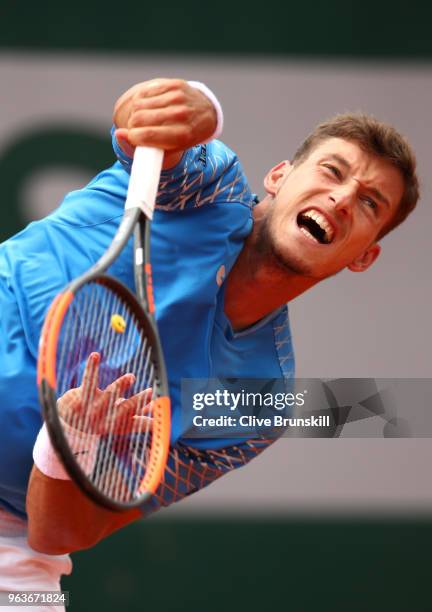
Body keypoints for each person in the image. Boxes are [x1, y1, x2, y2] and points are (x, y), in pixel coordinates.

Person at [0, 78, 419, 607]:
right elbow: (149, 125)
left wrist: (68, 446)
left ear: (363, 256)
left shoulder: (257, 401)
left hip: (12, 551)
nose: (340, 198)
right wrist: (198, 104)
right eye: (332, 172)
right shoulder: (211, 185)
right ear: (279, 176)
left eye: (369, 203)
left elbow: (61, 535)